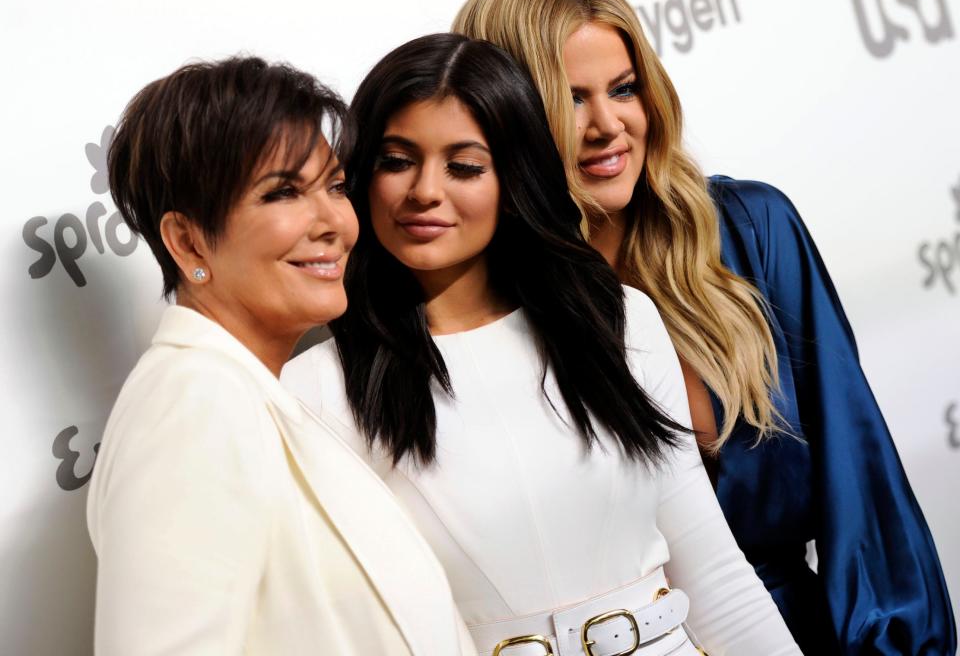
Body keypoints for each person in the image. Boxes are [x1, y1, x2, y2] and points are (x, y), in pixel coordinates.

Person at [452, 0, 956, 655]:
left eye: (623, 89)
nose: (608, 125)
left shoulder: (751, 231)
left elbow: (860, 486)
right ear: (502, 117)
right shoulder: (476, 310)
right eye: (568, 100)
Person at [282, 32, 801, 656]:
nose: (424, 190)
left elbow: (716, 577)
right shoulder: (315, 389)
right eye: (397, 160)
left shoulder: (620, 321)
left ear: (514, 177)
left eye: (465, 166)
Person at [87, 56, 475, 655]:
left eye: (337, 187)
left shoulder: (251, 393)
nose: (335, 223)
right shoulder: (194, 401)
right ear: (188, 240)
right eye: (284, 193)